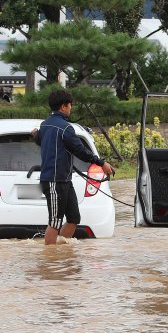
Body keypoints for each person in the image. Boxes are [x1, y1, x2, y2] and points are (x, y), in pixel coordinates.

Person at [32, 89, 114, 245]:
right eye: (70, 105)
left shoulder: (45, 125)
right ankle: (50, 259)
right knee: (55, 221)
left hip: (64, 180)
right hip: (54, 180)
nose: (71, 108)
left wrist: (35, 135)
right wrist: (101, 163)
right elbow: (81, 151)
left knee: (74, 218)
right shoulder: (65, 128)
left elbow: (39, 139)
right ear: (63, 106)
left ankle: (61, 252)